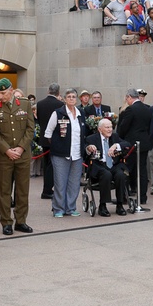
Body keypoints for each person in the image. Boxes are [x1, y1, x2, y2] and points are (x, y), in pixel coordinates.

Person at [0, 78, 34, 235]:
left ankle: (21, 221)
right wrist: (7, 150)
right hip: (4, 156)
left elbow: (30, 129)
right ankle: (6, 222)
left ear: (11, 90)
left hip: (23, 155)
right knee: (4, 190)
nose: (1, 97)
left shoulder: (25, 104)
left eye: (3, 93)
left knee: (22, 190)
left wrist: (20, 148)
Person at [44, 87, 86, 217]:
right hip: (60, 155)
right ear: (64, 99)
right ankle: (58, 208)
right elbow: (48, 134)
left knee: (74, 183)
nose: (71, 99)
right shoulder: (57, 113)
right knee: (60, 182)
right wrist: (59, 145)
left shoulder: (81, 113)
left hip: (77, 154)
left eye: (74, 97)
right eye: (69, 97)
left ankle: (71, 208)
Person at [85, 118, 131, 217]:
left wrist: (116, 145)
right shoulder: (91, 138)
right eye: (107, 127)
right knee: (106, 174)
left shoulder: (114, 136)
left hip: (113, 165)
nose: (110, 129)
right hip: (99, 165)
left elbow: (127, 144)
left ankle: (120, 204)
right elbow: (85, 151)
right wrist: (89, 148)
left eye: (111, 127)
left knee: (120, 175)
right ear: (100, 129)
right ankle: (102, 206)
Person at [117, 88, 153, 210]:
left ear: (129, 97)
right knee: (142, 170)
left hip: (131, 144)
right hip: (144, 143)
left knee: (126, 169)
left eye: (126, 98)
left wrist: (120, 139)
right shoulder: (147, 109)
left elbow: (123, 127)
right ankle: (142, 196)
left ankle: (124, 196)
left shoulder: (131, 109)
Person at [35, 84, 63, 200]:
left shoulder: (40, 103)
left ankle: (47, 188)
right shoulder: (60, 104)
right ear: (58, 92)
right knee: (52, 166)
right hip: (54, 139)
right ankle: (47, 190)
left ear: (48, 90)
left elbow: (39, 120)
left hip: (44, 138)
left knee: (47, 165)